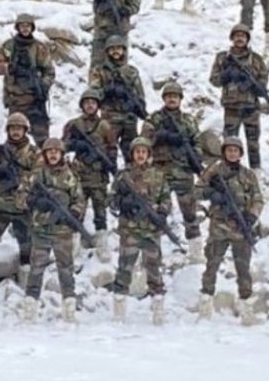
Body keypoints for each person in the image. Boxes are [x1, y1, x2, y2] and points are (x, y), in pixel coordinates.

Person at [197, 137, 263, 325]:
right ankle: (205, 306)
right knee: (212, 266)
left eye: (236, 150)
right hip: (219, 227)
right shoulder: (215, 170)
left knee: (243, 270)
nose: (232, 153)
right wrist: (212, 194)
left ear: (240, 153)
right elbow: (198, 190)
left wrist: (252, 216)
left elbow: (258, 199)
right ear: (224, 151)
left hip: (241, 229)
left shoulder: (248, 175)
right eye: (229, 150)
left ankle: (246, 309)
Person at [20, 137, 85, 323]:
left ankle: (69, 307)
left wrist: (74, 212)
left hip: (63, 231)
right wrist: (33, 201)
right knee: (36, 269)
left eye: (57, 151)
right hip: (41, 230)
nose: (53, 154)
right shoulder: (36, 175)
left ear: (62, 154)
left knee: (65, 269)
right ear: (45, 154)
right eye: (50, 152)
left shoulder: (70, 176)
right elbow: (20, 198)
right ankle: (30, 308)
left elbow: (79, 200)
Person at [109, 136, 172, 324]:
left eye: (144, 151)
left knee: (153, 268)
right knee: (124, 268)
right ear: (132, 154)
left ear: (148, 154)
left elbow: (166, 198)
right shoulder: (123, 176)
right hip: (130, 230)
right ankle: (119, 310)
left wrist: (162, 212)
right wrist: (122, 203)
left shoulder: (158, 175)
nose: (140, 155)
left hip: (151, 230)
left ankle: (158, 308)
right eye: (137, 152)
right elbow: (111, 199)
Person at [141, 80, 204, 262]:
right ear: (164, 99)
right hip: (160, 174)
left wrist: (195, 158)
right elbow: (144, 141)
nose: (172, 99)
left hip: (184, 174)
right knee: (157, 214)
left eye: (175, 97)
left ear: (180, 99)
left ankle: (196, 252)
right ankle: (152, 255)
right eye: (168, 96)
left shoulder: (189, 121)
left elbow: (197, 143)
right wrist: (161, 136)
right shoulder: (154, 119)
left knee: (190, 214)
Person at [0, 112, 39, 276]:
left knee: (27, 245)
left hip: (23, 206)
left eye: (19, 128)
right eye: (13, 128)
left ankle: (26, 274)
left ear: (25, 130)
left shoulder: (34, 153)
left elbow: (39, 176)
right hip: (0, 204)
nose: (16, 132)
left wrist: (23, 181)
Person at [62, 89, 118, 261]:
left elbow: (112, 147)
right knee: (76, 210)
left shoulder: (105, 126)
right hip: (78, 175)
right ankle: (73, 246)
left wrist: (111, 163)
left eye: (93, 103)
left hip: (98, 175)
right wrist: (77, 145)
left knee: (100, 211)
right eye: (86, 103)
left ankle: (102, 245)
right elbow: (62, 145)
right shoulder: (73, 125)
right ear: (82, 105)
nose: (90, 105)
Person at [209, 24, 269, 169]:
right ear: (232, 38)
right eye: (237, 36)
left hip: (251, 108)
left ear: (247, 39)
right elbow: (214, 80)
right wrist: (226, 75)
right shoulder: (223, 58)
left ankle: (255, 174)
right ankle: (228, 173)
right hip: (231, 108)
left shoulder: (256, 59)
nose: (240, 39)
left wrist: (253, 85)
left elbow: (263, 85)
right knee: (230, 144)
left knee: (253, 144)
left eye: (243, 36)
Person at [0, 13, 56, 145]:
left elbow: (50, 71)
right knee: (15, 138)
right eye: (22, 26)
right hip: (15, 100)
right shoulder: (9, 46)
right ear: (17, 27)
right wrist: (7, 68)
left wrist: (43, 85)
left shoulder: (39, 48)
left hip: (35, 99)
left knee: (42, 138)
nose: (25, 29)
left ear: (32, 28)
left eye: (28, 26)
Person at [89, 35, 147, 164]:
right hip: (110, 116)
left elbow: (140, 95)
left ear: (123, 50)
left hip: (129, 117)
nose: (115, 51)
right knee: (108, 152)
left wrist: (136, 104)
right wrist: (107, 91)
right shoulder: (100, 71)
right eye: (112, 49)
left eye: (118, 48)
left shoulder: (131, 72)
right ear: (107, 51)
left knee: (132, 152)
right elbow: (92, 93)